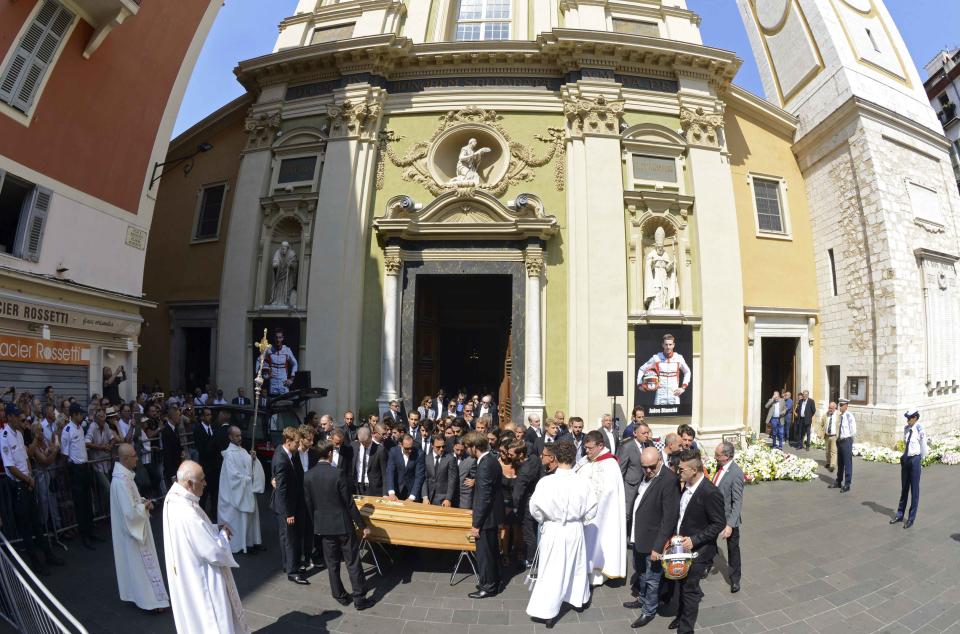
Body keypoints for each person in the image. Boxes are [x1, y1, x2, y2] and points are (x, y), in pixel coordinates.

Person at [163, 461, 249, 633]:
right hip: (202, 575)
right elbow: (214, 551)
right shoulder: (185, 511)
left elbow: (198, 530)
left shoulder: (175, 498)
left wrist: (215, 528)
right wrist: (223, 536)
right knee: (213, 618)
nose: (205, 483)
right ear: (189, 483)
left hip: (188, 570)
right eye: (201, 480)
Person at [525, 439, 598, 625]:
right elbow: (592, 510)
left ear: (555, 458)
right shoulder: (584, 482)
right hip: (575, 529)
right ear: (574, 458)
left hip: (554, 529)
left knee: (552, 569)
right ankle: (578, 600)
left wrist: (546, 520)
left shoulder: (546, 482)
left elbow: (534, 509)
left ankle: (549, 611)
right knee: (577, 564)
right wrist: (579, 519)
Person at [303, 439, 374, 610]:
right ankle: (359, 598)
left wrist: (316, 525)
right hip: (343, 525)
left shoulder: (308, 476)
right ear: (330, 454)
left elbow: (309, 505)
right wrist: (362, 525)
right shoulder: (338, 473)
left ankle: (339, 594)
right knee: (352, 561)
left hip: (324, 527)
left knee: (332, 563)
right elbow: (349, 503)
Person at [1, 405, 65, 574]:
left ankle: (49, 556)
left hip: (28, 483)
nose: (22, 421)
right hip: (19, 486)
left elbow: (26, 456)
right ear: (9, 417)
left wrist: (30, 473)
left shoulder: (20, 435)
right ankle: (36, 564)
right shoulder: (4, 436)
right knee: (27, 528)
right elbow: (10, 466)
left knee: (37, 523)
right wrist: (27, 479)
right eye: (19, 418)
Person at [622, 447, 679, 629]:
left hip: (653, 542)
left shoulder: (668, 480)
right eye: (644, 467)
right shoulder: (646, 474)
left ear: (660, 461)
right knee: (641, 572)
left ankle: (649, 610)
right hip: (639, 538)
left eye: (651, 467)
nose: (647, 470)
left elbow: (669, 518)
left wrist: (658, 546)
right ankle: (643, 599)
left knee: (652, 579)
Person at [671, 449, 725, 634]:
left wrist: (694, 540)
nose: (679, 472)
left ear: (694, 470)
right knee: (680, 585)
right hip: (680, 548)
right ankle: (680, 616)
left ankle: (686, 630)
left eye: (682, 469)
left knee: (690, 590)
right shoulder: (684, 485)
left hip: (698, 552)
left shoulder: (710, 492)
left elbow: (719, 523)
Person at [110, 444, 170, 612]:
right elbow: (129, 513)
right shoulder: (121, 482)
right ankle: (151, 601)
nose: (137, 458)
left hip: (135, 529)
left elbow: (132, 502)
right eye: (134, 455)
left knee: (138, 567)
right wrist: (144, 507)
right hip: (134, 532)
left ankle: (150, 599)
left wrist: (142, 501)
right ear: (126, 458)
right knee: (142, 566)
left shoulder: (124, 478)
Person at [575, 430, 626, 586]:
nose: (587, 451)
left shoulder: (610, 464)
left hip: (602, 514)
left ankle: (598, 572)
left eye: (590, 448)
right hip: (582, 512)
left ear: (601, 445)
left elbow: (608, 492)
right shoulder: (585, 460)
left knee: (599, 541)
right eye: (586, 448)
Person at [464, 431, 504, 599]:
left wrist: (476, 524)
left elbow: (484, 497)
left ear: (475, 447)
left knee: (485, 554)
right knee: (492, 551)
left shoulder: (486, 464)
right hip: (492, 516)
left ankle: (487, 586)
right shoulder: (491, 460)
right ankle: (493, 581)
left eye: (467, 446)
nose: (466, 450)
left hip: (486, 519)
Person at [218, 426, 265, 554]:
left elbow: (250, 467)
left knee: (251, 518)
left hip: (246, 491)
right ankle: (242, 544)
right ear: (230, 437)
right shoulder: (229, 455)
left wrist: (254, 459)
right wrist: (247, 480)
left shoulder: (243, 451)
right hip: (236, 494)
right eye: (237, 436)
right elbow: (233, 476)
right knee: (241, 519)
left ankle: (252, 542)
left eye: (240, 435)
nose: (240, 438)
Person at [271, 427, 308, 584]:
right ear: (288, 442)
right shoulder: (281, 459)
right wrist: (288, 514)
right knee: (290, 539)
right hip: (286, 507)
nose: (299, 445)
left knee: (290, 536)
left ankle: (291, 565)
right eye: (297, 442)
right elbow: (282, 490)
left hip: (295, 502)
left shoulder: (289, 453)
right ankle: (292, 572)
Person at [61, 403, 101, 548]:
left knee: (88, 502)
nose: (82, 416)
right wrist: (67, 476)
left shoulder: (80, 428)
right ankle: (84, 536)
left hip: (85, 468)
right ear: (74, 415)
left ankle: (90, 532)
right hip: (76, 470)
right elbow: (64, 455)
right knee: (80, 505)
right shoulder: (67, 430)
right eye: (80, 414)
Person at [711, 442, 744, 593]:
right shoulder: (720, 466)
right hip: (714, 515)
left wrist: (730, 524)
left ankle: (735, 579)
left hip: (728, 518)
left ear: (727, 456)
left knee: (733, 549)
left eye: (717, 455)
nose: (715, 457)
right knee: (707, 542)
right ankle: (706, 564)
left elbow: (737, 501)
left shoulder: (736, 473)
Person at [890, 408, 927, 529]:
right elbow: (906, 444)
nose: (907, 420)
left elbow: (923, 447)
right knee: (904, 489)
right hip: (906, 460)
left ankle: (911, 518)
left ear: (915, 418)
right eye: (907, 418)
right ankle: (900, 514)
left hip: (915, 460)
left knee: (914, 491)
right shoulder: (906, 429)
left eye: (909, 418)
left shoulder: (920, 429)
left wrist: (919, 459)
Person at [637, 333, 691, 407]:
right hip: (660, 395)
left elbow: (687, 372)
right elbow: (642, 369)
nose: (668, 347)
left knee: (676, 418)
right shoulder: (656, 358)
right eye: (666, 344)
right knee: (657, 418)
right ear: (662, 345)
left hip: (674, 394)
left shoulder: (679, 358)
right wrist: (639, 384)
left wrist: (683, 388)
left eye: (670, 344)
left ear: (673, 345)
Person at [511, 441, 541, 569]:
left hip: (528, 502)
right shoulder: (534, 458)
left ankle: (530, 559)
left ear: (521, 454)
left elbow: (517, 494)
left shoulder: (524, 471)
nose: (509, 455)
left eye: (512, 454)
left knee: (528, 531)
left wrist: (514, 507)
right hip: (536, 497)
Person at [618, 422, 649, 528]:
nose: (646, 435)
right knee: (627, 515)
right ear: (635, 433)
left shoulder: (648, 445)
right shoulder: (627, 447)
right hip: (630, 488)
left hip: (644, 486)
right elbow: (620, 470)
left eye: (647, 433)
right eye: (643, 433)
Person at [194, 408, 219, 519]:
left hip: (214, 467)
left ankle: (214, 516)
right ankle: (201, 517)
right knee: (203, 495)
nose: (210, 417)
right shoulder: (198, 430)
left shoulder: (213, 428)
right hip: (205, 467)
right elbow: (202, 448)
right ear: (202, 417)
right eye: (207, 415)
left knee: (214, 494)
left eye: (210, 414)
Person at [386, 434, 425, 501]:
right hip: (396, 492)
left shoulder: (419, 454)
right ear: (400, 445)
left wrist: (412, 497)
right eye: (407, 448)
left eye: (411, 448)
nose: (410, 451)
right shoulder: (393, 452)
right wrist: (391, 492)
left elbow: (419, 477)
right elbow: (390, 472)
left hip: (412, 492)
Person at [259, 328, 298, 396]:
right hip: (272, 384)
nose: (278, 340)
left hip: (284, 383)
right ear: (274, 338)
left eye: (280, 337)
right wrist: (266, 375)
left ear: (282, 338)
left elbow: (295, 364)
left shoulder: (287, 350)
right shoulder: (268, 350)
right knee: (273, 403)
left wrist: (291, 379)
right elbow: (261, 362)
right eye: (276, 337)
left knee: (284, 403)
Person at [422, 435, 458, 506]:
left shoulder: (450, 459)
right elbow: (424, 479)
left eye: (443, 446)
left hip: (443, 499)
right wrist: (425, 497)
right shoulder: (427, 458)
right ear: (432, 446)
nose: (441, 449)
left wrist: (448, 498)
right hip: (429, 498)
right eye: (438, 447)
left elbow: (452, 480)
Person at [830, 399, 856, 492]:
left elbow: (853, 430)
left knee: (847, 463)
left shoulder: (849, 416)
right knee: (840, 463)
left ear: (846, 406)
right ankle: (838, 481)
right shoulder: (839, 416)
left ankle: (847, 484)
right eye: (839, 405)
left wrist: (850, 441)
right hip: (839, 441)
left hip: (846, 441)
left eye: (842, 405)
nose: (840, 407)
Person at [351, 426, 377, 495]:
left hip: (371, 487)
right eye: (362, 443)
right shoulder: (353, 446)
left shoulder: (379, 450)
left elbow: (384, 473)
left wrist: (385, 493)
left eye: (366, 442)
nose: (364, 445)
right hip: (357, 485)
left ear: (371, 437)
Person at [818, 401, 839, 472]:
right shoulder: (825, 415)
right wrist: (820, 433)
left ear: (834, 408)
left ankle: (832, 465)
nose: (829, 409)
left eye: (831, 408)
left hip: (834, 436)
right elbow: (821, 424)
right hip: (827, 435)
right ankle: (828, 462)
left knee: (833, 451)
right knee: (827, 451)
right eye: (829, 407)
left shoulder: (838, 415)